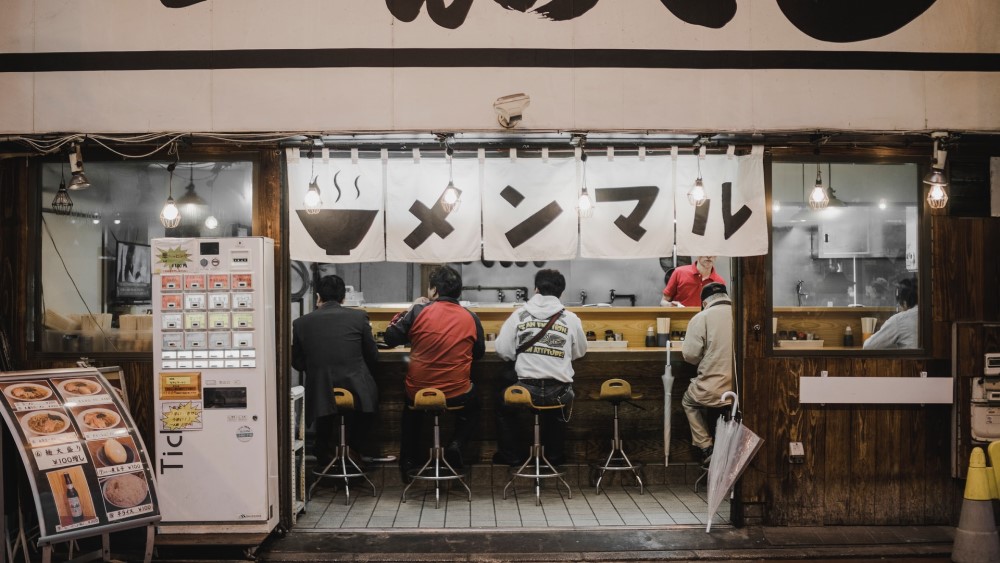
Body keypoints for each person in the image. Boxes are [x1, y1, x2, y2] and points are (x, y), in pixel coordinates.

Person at [384, 265, 485, 481]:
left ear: (434, 291)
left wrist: (409, 308)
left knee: (411, 410)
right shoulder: (471, 317)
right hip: (456, 392)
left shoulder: (419, 311)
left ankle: (408, 461)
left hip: (418, 391)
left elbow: (390, 338)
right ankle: (456, 444)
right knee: (475, 402)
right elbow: (479, 353)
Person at [493, 269, 588, 466]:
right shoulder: (571, 319)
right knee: (559, 408)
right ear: (561, 292)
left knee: (503, 404)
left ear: (535, 289)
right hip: (559, 392)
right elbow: (580, 352)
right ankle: (553, 457)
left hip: (526, 390)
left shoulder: (518, 316)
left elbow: (503, 351)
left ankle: (512, 456)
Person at [292, 274, 380, 468]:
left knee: (326, 406)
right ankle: (353, 450)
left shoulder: (301, 323)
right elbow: (372, 355)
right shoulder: (359, 317)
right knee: (367, 400)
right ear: (343, 298)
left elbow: (296, 362)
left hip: (320, 392)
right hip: (355, 390)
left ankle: (323, 452)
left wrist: (318, 368)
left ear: (318, 298)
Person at [681, 282, 734, 468]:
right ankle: (731, 450)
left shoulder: (701, 318)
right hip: (739, 391)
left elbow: (690, 356)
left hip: (712, 390)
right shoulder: (743, 314)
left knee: (689, 402)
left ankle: (707, 447)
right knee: (732, 409)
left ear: (704, 303)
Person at [863, 278, 918, 349]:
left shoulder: (899, 320)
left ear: (904, 303)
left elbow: (868, 346)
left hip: (909, 360)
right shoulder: (928, 314)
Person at [661, 256, 725, 307]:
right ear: (697, 253)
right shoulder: (679, 272)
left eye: (713, 252)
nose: (709, 256)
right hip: (682, 320)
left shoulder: (720, 282)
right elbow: (663, 302)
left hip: (706, 322)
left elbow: (721, 308)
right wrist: (669, 305)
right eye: (704, 252)